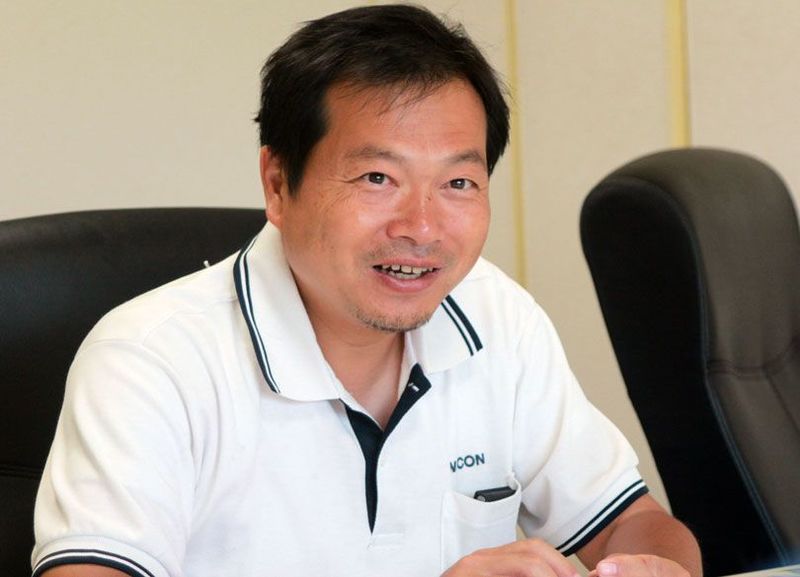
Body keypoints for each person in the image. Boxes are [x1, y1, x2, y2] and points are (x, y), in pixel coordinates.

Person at [31, 5, 702, 577]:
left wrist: (648, 566)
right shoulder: (150, 359)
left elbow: (632, 522)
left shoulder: (496, 314)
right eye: (378, 178)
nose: (421, 227)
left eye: (458, 183)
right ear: (278, 184)